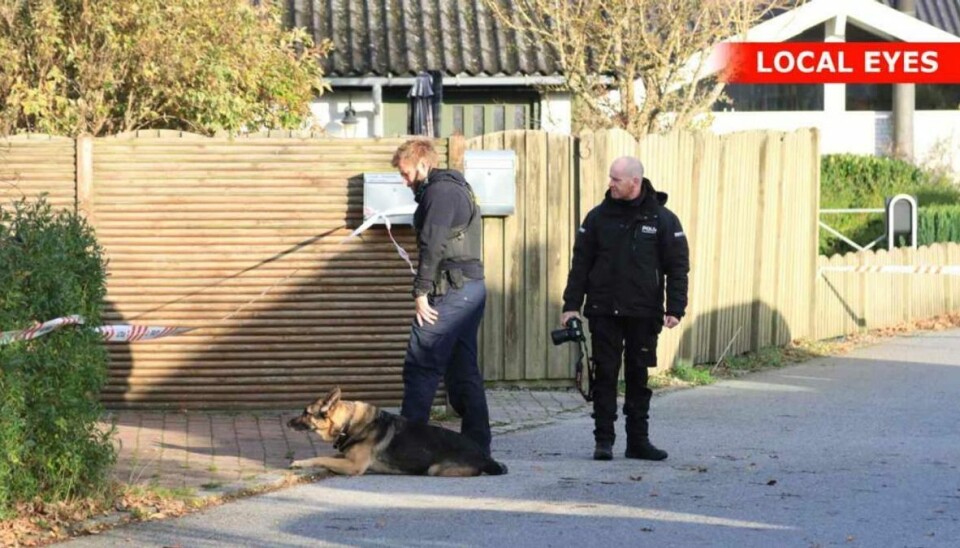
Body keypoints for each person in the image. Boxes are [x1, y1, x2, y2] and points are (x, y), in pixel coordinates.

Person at [560, 156, 689, 461]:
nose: (610, 184)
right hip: (604, 309)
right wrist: (571, 305)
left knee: (637, 375)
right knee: (605, 374)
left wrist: (676, 307)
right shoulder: (596, 218)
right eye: (610, 178)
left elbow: (678, 266)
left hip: (644, 312)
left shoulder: (662, 219)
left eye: (616, 179)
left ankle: (638, 441)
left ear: (635, 181)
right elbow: (580, 264)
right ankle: (603, 440)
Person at [391, 138, 493, 456]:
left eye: (406, 173)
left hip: (451, 290)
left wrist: (420, 291)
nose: (404, 181)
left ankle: (407, 449)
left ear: (423, 164)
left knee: (421, 363)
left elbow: (433, 245)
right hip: (468, 289)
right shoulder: (449, 188)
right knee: (462, 369)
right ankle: (477, 445)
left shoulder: (441, 192)